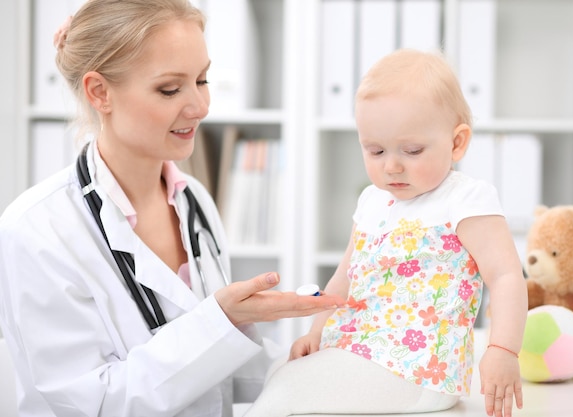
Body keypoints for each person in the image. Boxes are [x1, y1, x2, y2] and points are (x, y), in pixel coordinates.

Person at [0, 1, 345, 416]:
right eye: (170, 89)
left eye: (202, 80)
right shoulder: (37, 230)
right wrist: (219, 321)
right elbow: (94, 404)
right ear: (99, 92)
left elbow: (214, 367)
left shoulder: (193, 200)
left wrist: (313, 360)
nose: (200, 106)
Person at [244, 49, 528, 417]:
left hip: (418, 369)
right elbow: (344, 277)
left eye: (412, 150)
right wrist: (317, 331)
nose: (392, 165)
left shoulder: (465, 199)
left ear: (456, 143)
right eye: (375, 150)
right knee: (279, 372)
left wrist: (502, 349)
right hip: (362, 351)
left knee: (288, 391)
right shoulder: (372, 200)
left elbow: (506, 276)